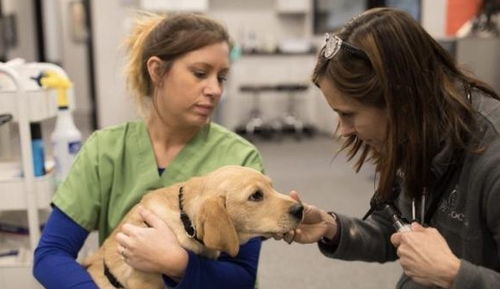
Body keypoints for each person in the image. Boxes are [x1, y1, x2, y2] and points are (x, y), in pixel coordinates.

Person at [33, 12, 265, 289]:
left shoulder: (238, 159)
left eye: (222, 77)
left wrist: (176, 263)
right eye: (200, 73)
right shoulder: (106, 150)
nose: (215, 89)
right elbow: (50, 255)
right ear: (156, 71)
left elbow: (242, 278)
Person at [277, 7, 500, 289]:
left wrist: (454, 275)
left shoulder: (492, 160)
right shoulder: (417, 130)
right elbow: (395, 232)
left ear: (399, 99)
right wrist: (331, 227)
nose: (343, 130)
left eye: (348, 114)